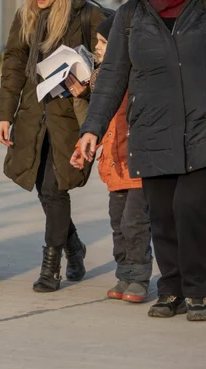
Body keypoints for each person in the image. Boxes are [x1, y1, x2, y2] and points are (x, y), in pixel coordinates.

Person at [78, 0, 206, 321]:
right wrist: (92, 129)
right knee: (162, 216)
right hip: (152, 131)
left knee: (190, 207)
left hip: (200, 129)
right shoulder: (130, 16)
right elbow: (111, 76)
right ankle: (171, 289)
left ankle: (197, 287)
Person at [0, 0, 106, 293]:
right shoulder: (26, 17)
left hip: (69, 117)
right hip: (33, 115)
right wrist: (5, 114)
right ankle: (74, 246)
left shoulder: (86, 14)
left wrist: (90, 84)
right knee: (43, 189)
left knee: (54, 190)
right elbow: (14, 65)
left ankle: (50, 266)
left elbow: (112, 58)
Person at [70, 14, 152, 303]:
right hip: (113, 164)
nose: (98, 46)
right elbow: (98, 125)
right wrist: (81, 99)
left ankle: (140, 276)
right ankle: (124, 273)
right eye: (97, 41)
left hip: (138, 163)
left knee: (135, 222)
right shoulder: (99, 79)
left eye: (104, 41)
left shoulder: (135, 77)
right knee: (118, 222)